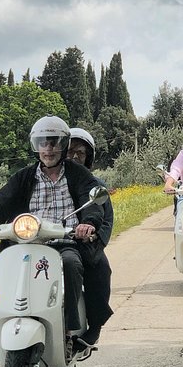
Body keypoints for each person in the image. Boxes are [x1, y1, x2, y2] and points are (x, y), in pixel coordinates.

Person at [0, 115, 105, 364]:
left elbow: (92, 200)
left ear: (63, 144)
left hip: (64, 241)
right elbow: (2, 200)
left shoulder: (77, 174)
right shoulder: (24, 176)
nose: (48, 149)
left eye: (54, 143)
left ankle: (68, 331)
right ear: (36, 145)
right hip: (27, 240)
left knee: (71, 263)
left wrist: (88, 223)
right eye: (43, 143)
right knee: (2, 256)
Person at [66, 127, 114, 348]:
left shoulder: (96, 185)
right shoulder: (46, 180)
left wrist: (94, 240)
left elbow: (105, 220)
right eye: (69, 151)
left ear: (89, 158)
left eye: (81, 153)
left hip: (83, 244)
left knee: (100, 269)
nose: (74, 156)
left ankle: (94, 327)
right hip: (44, 242)